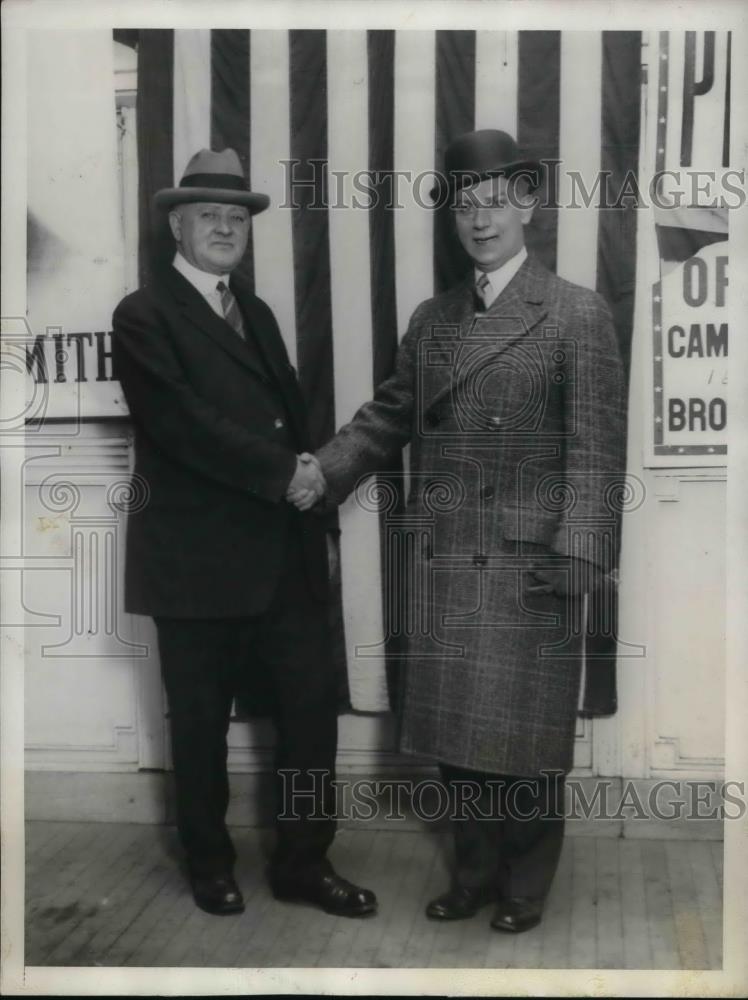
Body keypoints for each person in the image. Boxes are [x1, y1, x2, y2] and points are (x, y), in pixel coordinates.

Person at [292, 130, 627, 933]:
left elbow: (598, 445)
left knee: (529, 742)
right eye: (465, 205)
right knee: (459, 739)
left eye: (496, 203)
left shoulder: (576, 311)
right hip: (447, 557)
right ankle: (473, 875)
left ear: (528, 206)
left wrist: (582, 550)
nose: (480, 220)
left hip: (532, 562)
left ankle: (524, 886)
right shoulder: (433, 318)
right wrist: (323, 472)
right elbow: (387, 419)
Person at [112, 148, 375, 918]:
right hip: (194, 565)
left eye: (237, 218)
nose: (226, 229)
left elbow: (288, 419)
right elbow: (184, 427)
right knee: (198, 727)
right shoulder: (143, 314)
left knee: (308, 725)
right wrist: (286, 474)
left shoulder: (254, 312)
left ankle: (302, 863)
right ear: (176, 226)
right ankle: (209, 862)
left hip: (282, 559)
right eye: (209, 217)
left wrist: (310, 482)